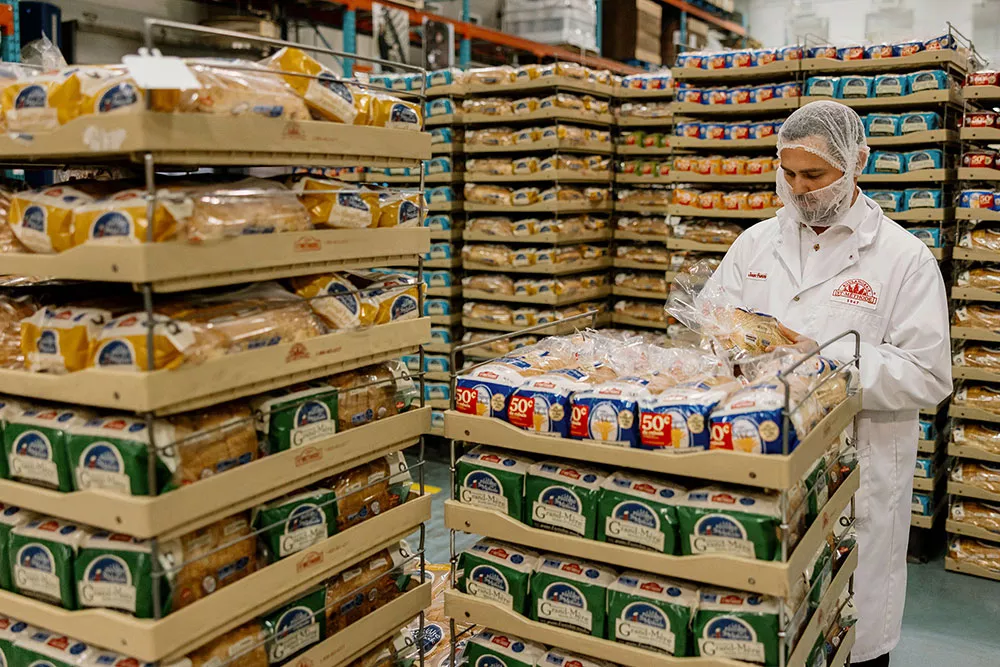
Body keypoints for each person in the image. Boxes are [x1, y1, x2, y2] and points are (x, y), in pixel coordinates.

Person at [706, 100, 952, 666]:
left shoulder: (902, 259)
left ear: (857, 162)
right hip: (761, 456)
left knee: (847, 635)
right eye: (787, 173)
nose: (798, 188)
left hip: (855, 474)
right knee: (764, 632)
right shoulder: (755, 244)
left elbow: (928, 373)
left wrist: (830, 364)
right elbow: (715, 320)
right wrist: (728, 341)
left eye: (814, 174)